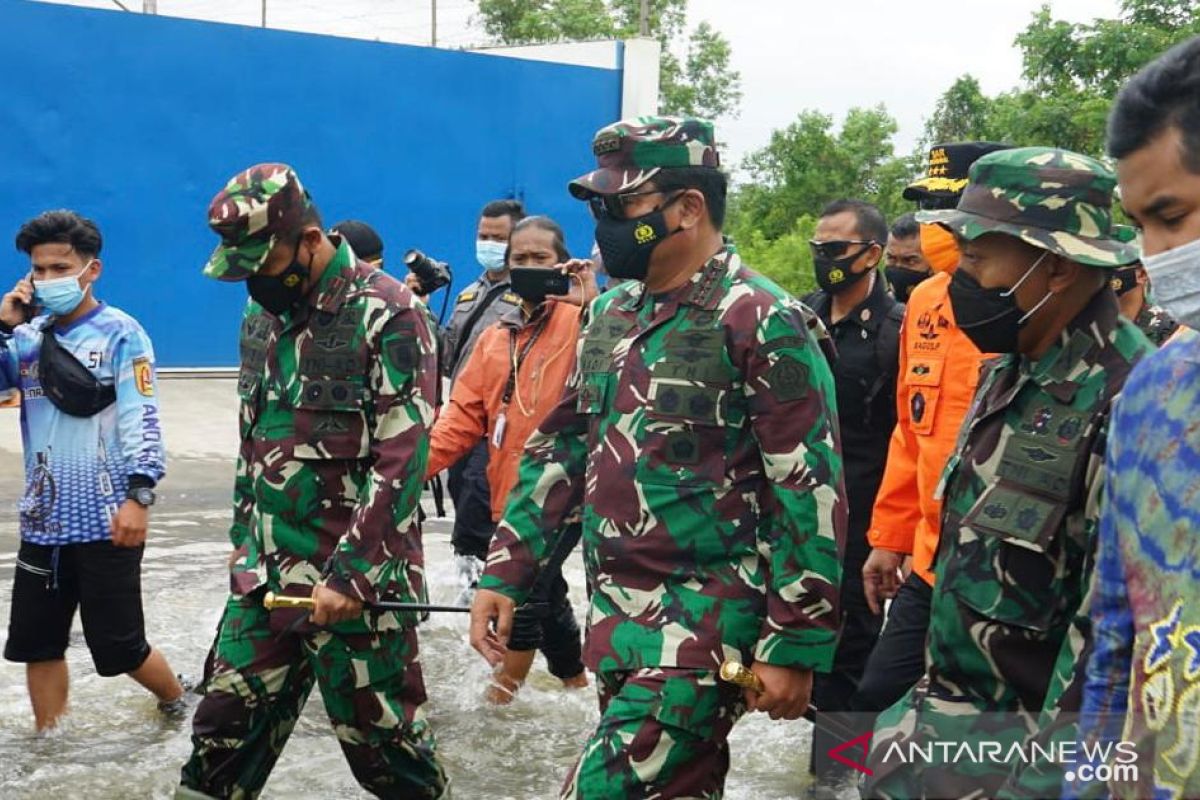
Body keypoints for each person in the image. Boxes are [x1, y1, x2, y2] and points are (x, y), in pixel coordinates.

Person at [469, 116, 846, 799]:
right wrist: (509, 568)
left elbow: (809, 489)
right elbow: (564, 447)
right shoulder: (613, 314)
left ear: (688, 208)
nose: (605, 222)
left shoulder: (761, 318)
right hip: (620, 624)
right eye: (598, 207)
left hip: (702, 632)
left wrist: (795, 644)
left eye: (621, 206)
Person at [863, 147, 1155, 799]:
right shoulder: (1008, 373)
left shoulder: (1135, 402)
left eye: (976, 259)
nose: (958, 278)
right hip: (936, 744)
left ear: (1051, 267)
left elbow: (1112, 646)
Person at [178, 164, 447, 800]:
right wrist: (244, 542)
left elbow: (402, 458)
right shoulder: (261, 315)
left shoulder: (390, 313)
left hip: (356, 586)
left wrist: (352, 574)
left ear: (309, 237)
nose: (251, 281)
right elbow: (254, 440)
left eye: (260, 263)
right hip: (266, 583)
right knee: (219, 740)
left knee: (387, 756)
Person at [0, 210, 185, 731]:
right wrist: (2, 325)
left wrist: (139, 495)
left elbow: (141, 416)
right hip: (43, 520)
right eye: (39, 269)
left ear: (92, 269)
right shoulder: (26, 339)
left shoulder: (123, 334)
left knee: (119, 647)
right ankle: (48, 742)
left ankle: (176, 701)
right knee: (37, 643)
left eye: (61, 267)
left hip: (108, 518)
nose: (48, 279)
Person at [1077, 34, 1200, 799]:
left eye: (1171, 216)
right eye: (1139, 225)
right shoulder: (1155, 397)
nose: (1152, 257)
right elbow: (1116, 647)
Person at [852, 141, 1010, 721]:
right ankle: (847, 787)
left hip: (1002, 566)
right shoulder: (924, 299)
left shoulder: (1027, 301)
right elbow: (911, 431)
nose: (932, 227)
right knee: (875, 698)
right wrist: (888, 536)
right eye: (927, 210)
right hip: (929, 554)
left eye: (947, 210)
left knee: (979, 718)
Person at [425, 216, 596, 703]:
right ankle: (575, 684)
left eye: (540, 259)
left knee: (523, 593)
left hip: (568, 494)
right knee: (549, 590)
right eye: (519, 258)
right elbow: (460, 420)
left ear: (564, 261)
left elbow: (632, 361)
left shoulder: (591, 321)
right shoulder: (496, 336)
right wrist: (403, 472)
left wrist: (591, 303)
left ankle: (499, 705)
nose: (528, 267)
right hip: (511, 492)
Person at [802, 199, 901, 782]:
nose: (825, 259)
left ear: (872, 254)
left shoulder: (898, 329)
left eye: (836, 249)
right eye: (818, 247)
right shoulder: (799, 315)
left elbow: (910, 437)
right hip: (796, 511)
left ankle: (832, 778)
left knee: (852, 650)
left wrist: (898, 537)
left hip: (865, 518)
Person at [420, 199, 526, 605]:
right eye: (484, 236)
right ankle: (470, 589)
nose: (489, 243)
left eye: (498, 237)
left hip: (500, 422)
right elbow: (447, 355)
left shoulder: (530, 293)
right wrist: (421, 310)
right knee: (463, 489)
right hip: (461, 417)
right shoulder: (469, 293)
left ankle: (492, 588)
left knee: (480, 501)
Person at [1109, 225, 1181, 346]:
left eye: (1110, 268)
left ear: (1142, 274)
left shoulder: (1170, 331)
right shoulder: (1085, 323)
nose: (1099, 276)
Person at [884, 212, 933, 302]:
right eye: (891, 258)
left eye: (910, 261)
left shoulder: (953, 309)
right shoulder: (876, 310)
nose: (898, 266)